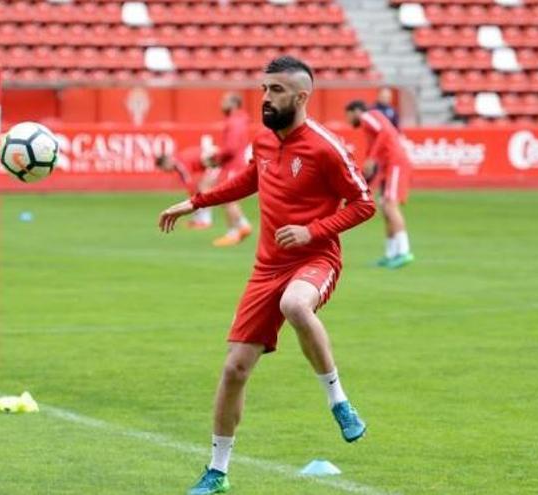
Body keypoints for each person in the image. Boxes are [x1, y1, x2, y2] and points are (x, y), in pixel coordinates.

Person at [158, 56, 375, 495]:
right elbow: (247, 180)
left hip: (316, 260)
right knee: (235, 369)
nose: (267, 97)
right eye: (264, 89)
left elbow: (364, 202)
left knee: (294, 304)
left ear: (301, 96)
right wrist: (195, 203)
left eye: (276, 90)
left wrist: (314, 230)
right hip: (267, 267)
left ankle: (339, 402)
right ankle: (218, 471)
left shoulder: (325, 147)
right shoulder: (263, 140)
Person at [345, 100, 414, 269]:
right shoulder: (369, 126)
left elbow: (384, 133)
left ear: (356, 111)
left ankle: (404, 252)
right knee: (385, 206)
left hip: (394, 163)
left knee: (390, 205)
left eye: (348, 115)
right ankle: (391, 254)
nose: (348, 120)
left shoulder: (368, 116)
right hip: (387, 166)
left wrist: (372, 158)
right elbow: (376, 144)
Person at [202, 92, 252, 247]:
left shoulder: (234, 122)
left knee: (228, 198)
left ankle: (237, 230)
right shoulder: (239, 120)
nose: (221, 104)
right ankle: (241, 226)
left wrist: (216, 156)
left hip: (233, 165)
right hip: (235, 164)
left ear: (233, 103)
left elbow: (230, 148)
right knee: (227, 198)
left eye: (224, 101)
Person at [154, 146, 216, 228]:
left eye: (164, 168)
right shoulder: (178, 161)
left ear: (166, 162)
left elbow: (189, 183)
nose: (165, 171)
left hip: (215, 162)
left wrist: (193, 197)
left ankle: (205, 221)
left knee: (203, 191)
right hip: (210, 161)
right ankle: (198, 220)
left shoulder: (180, 164)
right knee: (199, 193)